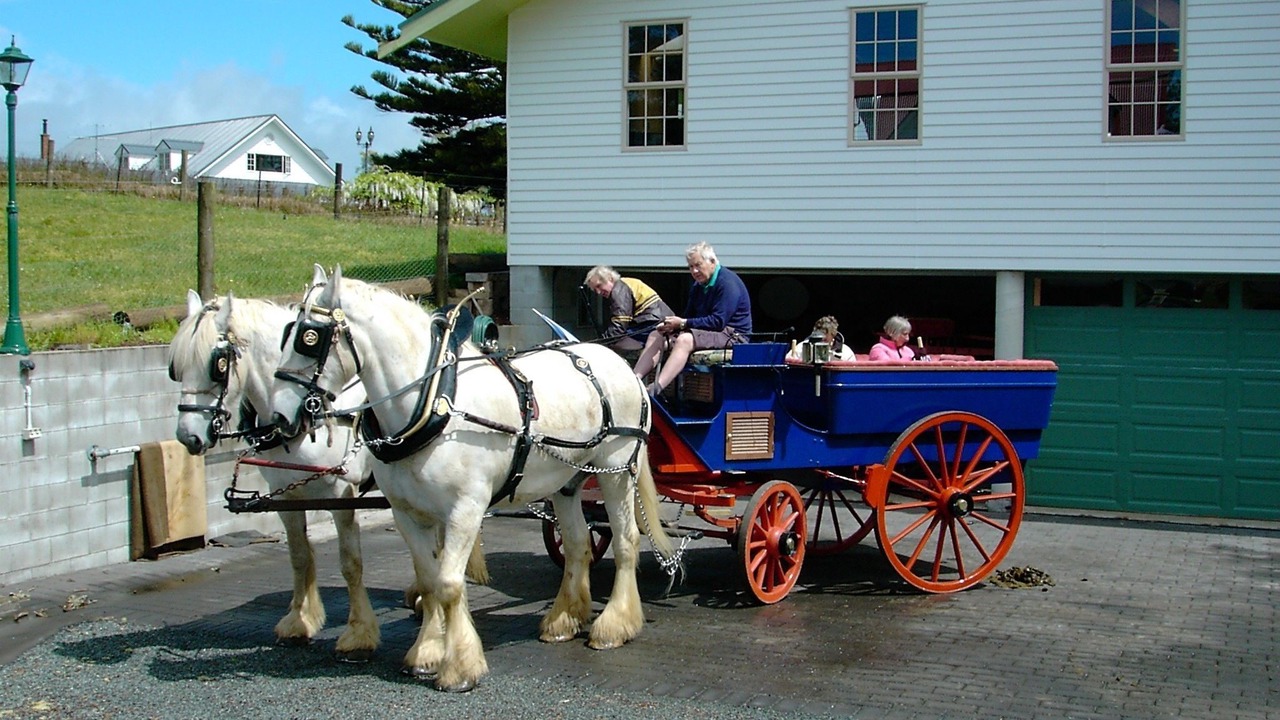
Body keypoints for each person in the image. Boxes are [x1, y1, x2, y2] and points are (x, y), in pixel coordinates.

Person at [633, 242, 752, 395]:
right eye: (690, 267)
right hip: (707, 331)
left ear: (712, 262)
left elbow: (718, 322)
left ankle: (656, 389)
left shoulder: (728, 283)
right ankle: (634, 382)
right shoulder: (698, 286)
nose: (694, 271)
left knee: (685, 340)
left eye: (698, 265)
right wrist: (672, 326)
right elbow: (689, 316)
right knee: (656, 335)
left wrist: (682, 323)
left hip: (732, 335)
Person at [583, 266, 674, 351]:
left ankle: (642, 355)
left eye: (599, 286)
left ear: (610, 278)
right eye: (595, 290)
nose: (598, 292)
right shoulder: (627, 283)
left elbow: (620, 322)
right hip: (659, 319)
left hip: (652, 322)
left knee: (616, 341)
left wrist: (603, 342)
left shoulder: (619, 290)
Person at [787, 315, 855, 362]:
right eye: (819, 333)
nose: (822, 337)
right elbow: (788, 362)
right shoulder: (802, 347)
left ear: (833, 334)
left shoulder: (846, 352)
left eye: (825, 333)